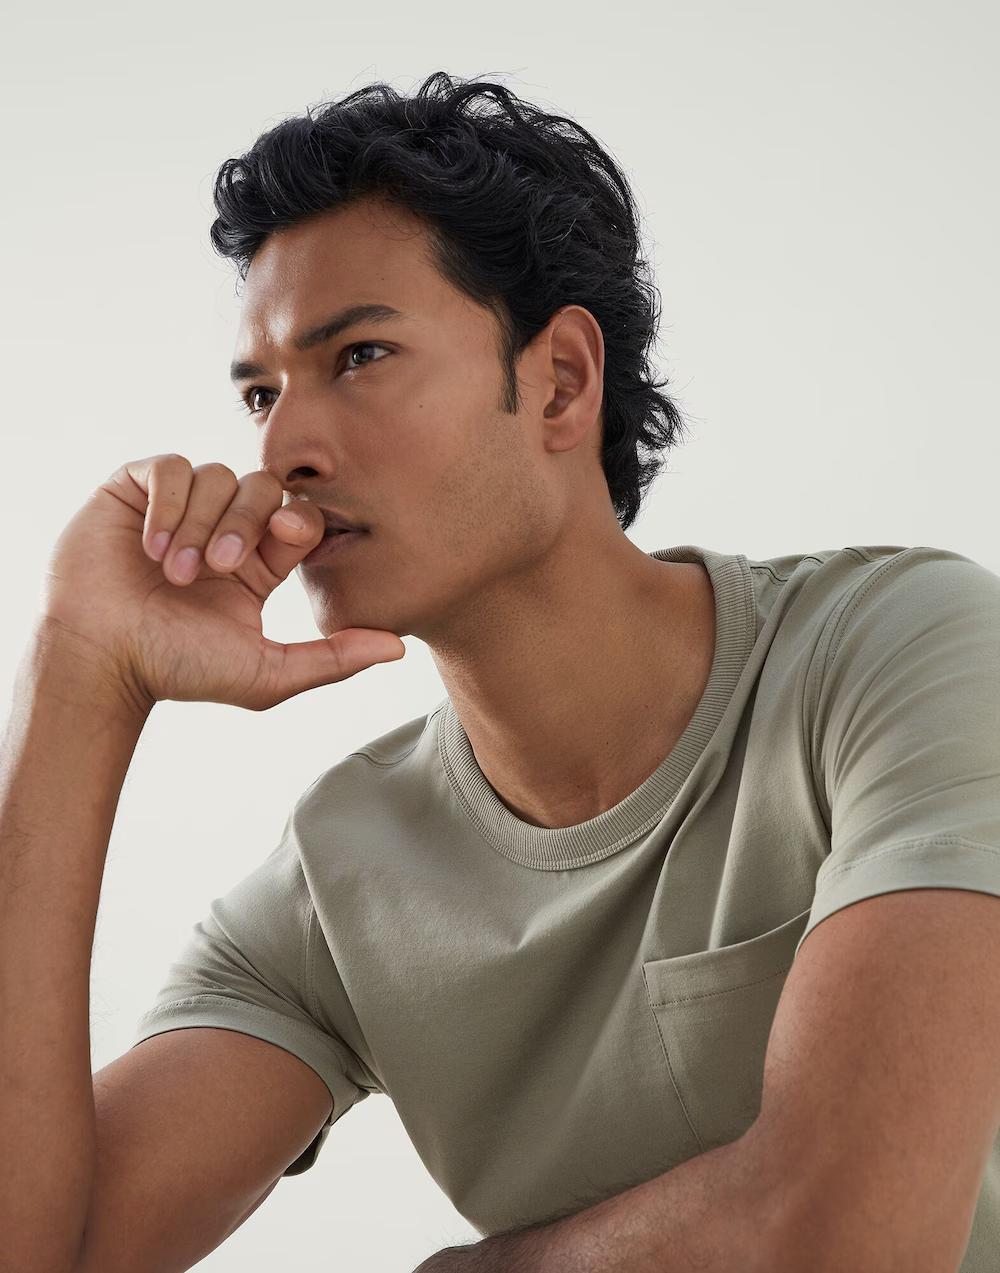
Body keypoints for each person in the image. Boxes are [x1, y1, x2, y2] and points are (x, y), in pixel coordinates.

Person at [3, 71, 1000, 1273]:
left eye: (359, 354)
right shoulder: (340, 878)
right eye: (260, 394)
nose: (281, 450)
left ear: (561, 381)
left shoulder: (902, 651)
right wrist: (81, 674)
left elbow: (847, 1237)